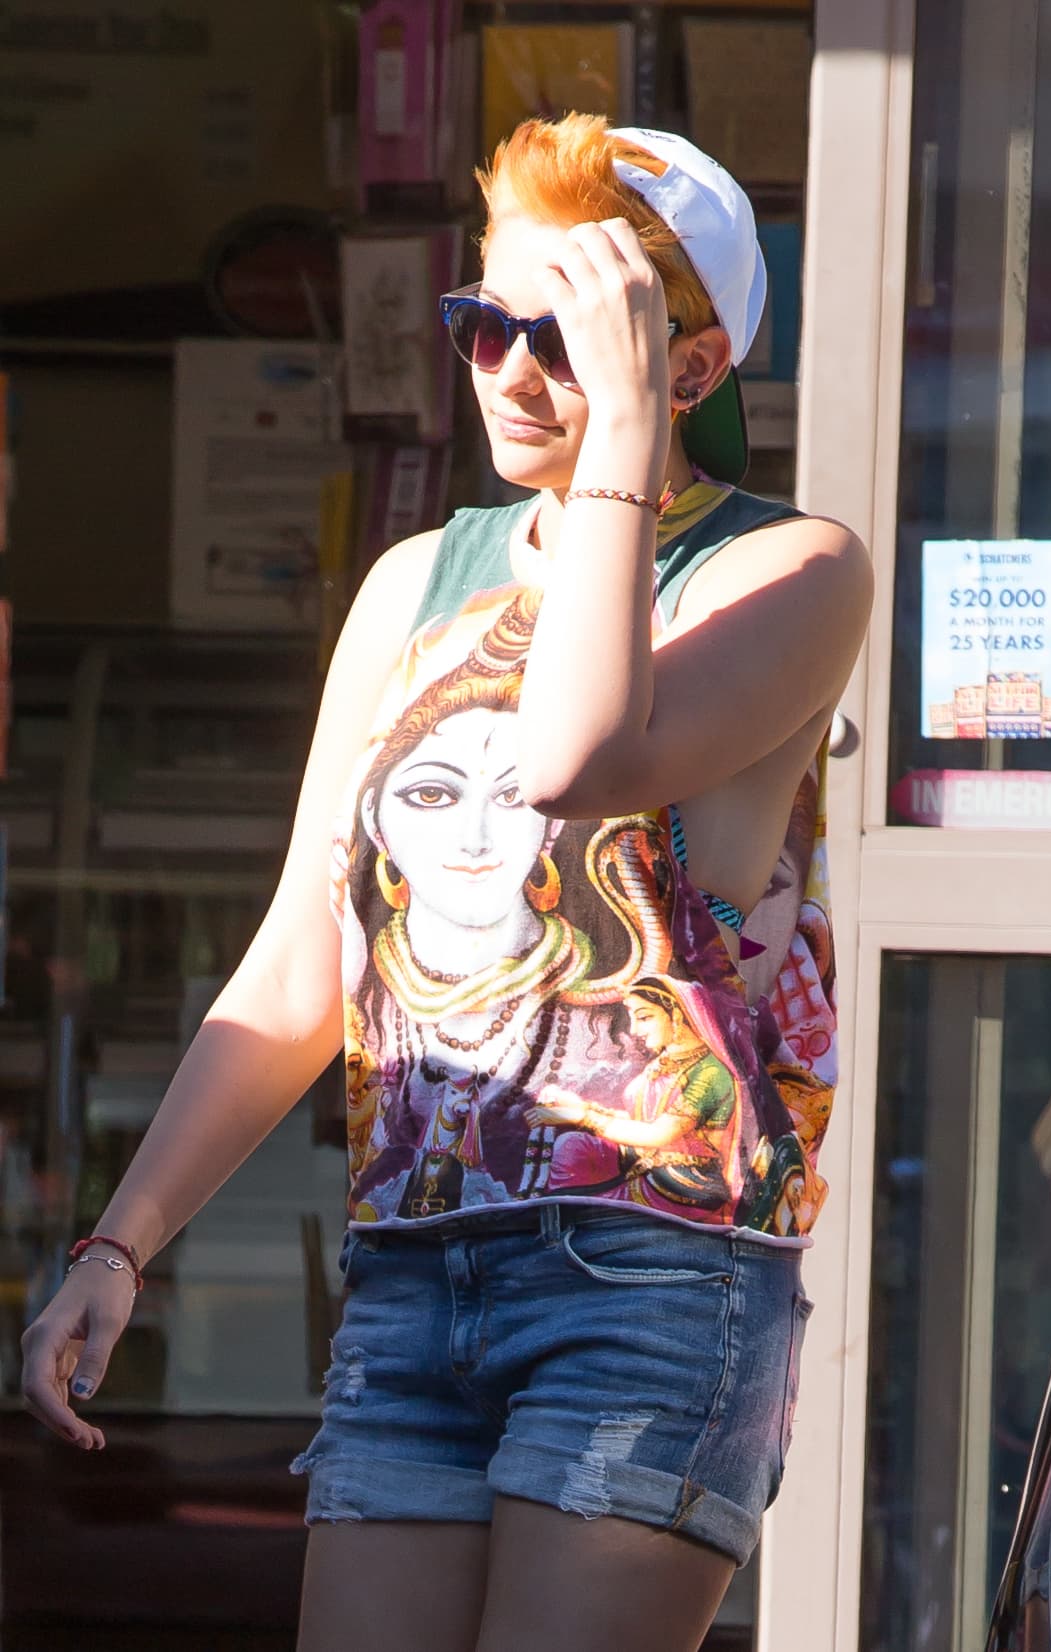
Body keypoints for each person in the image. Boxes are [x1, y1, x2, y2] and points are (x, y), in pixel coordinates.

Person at [21, 114, 873, 1652]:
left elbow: (580, 755)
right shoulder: (416, 579)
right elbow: (304, 952)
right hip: (415, 1265)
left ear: (684, 368)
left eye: (563, 338)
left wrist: (617, 448)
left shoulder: (788, 568)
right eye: (484, 323)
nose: (504, 371)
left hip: (649, 1265)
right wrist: (116, 1244)